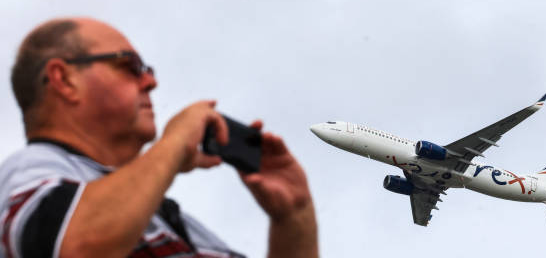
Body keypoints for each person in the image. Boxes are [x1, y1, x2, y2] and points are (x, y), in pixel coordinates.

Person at [0, 18, 318, 258]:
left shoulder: (187, 230)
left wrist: (293, 216)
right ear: (64, 80)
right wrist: (176, 142)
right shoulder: (33, 171)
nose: (151, 81)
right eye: (131, 65)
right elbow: (74, 247)